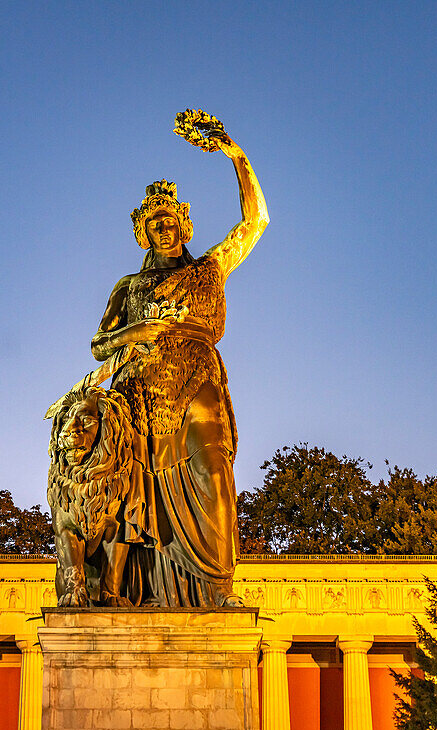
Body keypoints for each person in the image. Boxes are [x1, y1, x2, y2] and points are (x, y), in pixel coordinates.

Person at [91, 130, 268, 606]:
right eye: (154, 224)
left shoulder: (209, 268)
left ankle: (218, 588)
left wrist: (235, 153)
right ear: (143, 232)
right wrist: (134, 334)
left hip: (197, 376)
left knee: (214, 472)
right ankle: (126, 590)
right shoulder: (129, 286)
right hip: (140, 395)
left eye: (170, 221)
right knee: (133, 495)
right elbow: (97, 346)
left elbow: (256, 221)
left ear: (184, 225)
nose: (163, 229)